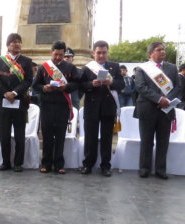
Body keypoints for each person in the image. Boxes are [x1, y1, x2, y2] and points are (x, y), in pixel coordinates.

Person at [134, 42, 180, 179]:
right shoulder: (142, 68)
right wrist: (159, 99)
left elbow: (178, 87)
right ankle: (144, 168)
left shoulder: (172, 68)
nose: (163, 52)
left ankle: (160, 169)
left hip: (166, 109)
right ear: (150, 53)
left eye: (163, 49)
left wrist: (168, 100)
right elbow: (141, 87)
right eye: (159, 50)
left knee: (163, 141)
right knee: (146, 140)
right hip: (147, 108)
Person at [33, 41, 79, 174]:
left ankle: (59, 164)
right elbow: (35, 85)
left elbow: (76, 84)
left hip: (62, 105)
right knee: (47, 135)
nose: (58, 57)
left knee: (60, 136)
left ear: (64, 54)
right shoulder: (43, 67)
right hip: (47, 105)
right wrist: (44, 88)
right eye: (55, 54)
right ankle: (46, 163)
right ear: (51, 52)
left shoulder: (70, 67)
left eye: (60, 55)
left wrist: (66, 87)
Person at [80, 40, 124, 177]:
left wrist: (111, 82)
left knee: (107, 138)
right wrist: (91, 84)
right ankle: (88, 164)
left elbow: (122, 85)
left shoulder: (115, 67)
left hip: (108, 107)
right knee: (90, 138)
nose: (101, 55)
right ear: (93, 53)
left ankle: (105, 165)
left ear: (107, 52)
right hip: (91, 106)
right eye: (98, 52)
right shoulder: (87, 68)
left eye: (104, 52)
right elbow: (80, 86)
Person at [0, 33, 33, 172]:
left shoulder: (27, 61)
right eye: (13, 42)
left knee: (19, 134)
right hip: (3, 102)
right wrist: (5, 93)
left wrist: (15, 93)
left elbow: (28, 80)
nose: (17, 44)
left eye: (19, 42)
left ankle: (18, 163)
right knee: (4, 134)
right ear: (8, 45)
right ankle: (5, 162)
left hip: (20, 102)